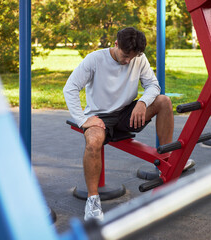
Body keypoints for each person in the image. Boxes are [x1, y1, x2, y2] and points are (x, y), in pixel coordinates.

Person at [64, 27, 193, 221]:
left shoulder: (138, 58)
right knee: (93, 143)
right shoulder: (95, 59)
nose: (128, 61)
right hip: (100, 116)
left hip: (127, 113)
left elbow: (153, 86)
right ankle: (92, 202)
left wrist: (142, 102)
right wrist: (83, 119)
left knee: (164, 101)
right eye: (125, 56)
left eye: (133, 57)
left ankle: (167, 163)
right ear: (116, 44)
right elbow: (70, 88)